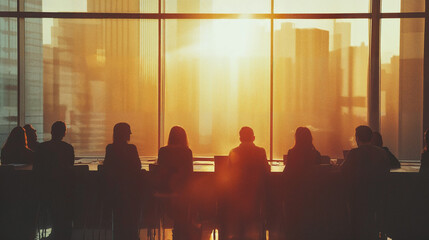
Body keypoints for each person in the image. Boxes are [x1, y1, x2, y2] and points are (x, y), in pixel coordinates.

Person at [341, 125, 390, 240]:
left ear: (357, 138)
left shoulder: (354, 154)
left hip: (358, 197)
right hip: (378, 196)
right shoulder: (381, 153)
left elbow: (343, 171)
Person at [224, 126, 269, 240]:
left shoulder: (233, 152)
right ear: (253, 138)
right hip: (256, 195)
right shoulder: (261, 151)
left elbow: (228, 174)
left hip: (238, 196)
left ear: (240, 138)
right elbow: (266, 171)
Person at [34, 121, 75, 240]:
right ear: (64, 133)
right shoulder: (68, 148)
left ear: (51, 132)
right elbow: (69, 169)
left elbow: (37, 168)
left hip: (45, 190)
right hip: (63, 191)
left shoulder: (41, 147)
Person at [157, 126, 197, 240]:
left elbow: (161, 171)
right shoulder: (187, 152)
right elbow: (189, 173)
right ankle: (183, 229)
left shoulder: (163, 151)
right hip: (182, 191)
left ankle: (179, 228)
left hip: (165, 190)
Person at [103, 122, 141, 240]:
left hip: (115, 192)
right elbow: (137, 166)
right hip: (131, 191)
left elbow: (107, 167)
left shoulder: (110, 148)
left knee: (118, 218)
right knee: (131, 218)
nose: (130, 134)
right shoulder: (132, 148)